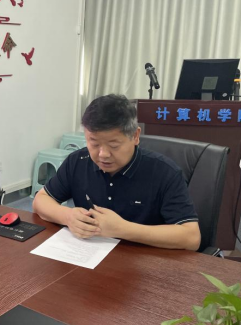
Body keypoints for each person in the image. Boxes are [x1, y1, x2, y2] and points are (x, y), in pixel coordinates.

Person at [33, 94, 201, 251]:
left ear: (135, 136)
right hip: (88, 256)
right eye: (94, 143)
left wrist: (123, 229)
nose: (103, 154)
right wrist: (67, 216)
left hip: (144, 260)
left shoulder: (165, 172)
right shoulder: (78, 161)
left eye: (114, 145)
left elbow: (191, 237)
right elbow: (41, 200)